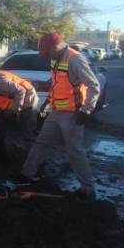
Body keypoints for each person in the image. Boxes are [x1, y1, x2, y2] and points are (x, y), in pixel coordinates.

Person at [21, 33, 101, 198]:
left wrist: (86, 110)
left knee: (74, 151)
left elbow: (93, 85)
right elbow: (57, 83)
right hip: (56, 111)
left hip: (72, 114)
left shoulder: (75, 59)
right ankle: (27, 173)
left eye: (47, 52)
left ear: (55, 47)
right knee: (41, 142)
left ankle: (88, 189)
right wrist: (47, 103)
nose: (46, 56)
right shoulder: (55, 59)